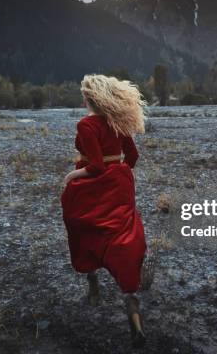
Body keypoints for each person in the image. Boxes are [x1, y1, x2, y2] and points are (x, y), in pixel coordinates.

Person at [61, 74, 147, 348]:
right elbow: (131, 158)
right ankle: (130, 299)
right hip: (119, 185)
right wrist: (118, 176)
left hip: (91, 187)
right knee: (121, 233)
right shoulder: (118, 122)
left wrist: (71, 177)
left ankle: (94, 286)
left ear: (89, 98)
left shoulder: (86, 124)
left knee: (83, 228)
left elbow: (96, 166)